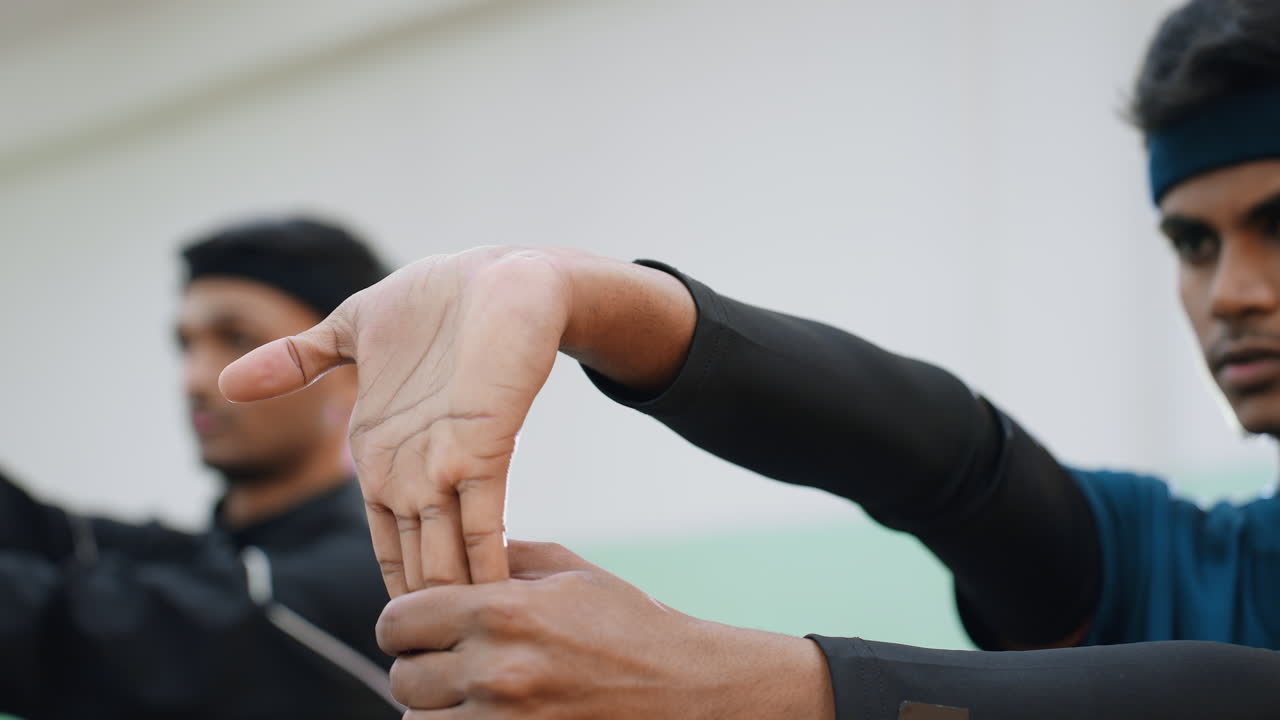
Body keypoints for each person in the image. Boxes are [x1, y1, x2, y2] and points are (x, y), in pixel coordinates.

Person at [222, 0, 1280, 717]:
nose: (1230, 289)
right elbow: (958, 469)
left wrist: (741, 684)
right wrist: (583, 295)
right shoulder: (1201, 561)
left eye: (1274, 225)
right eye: (1192, 242)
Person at [0, 217, 401, 719]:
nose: (193, 378)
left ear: (352, 370)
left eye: (237, 338)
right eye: (185, 345)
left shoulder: (376, 575)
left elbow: (94, 630)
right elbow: (49, 533)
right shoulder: (207, 557)